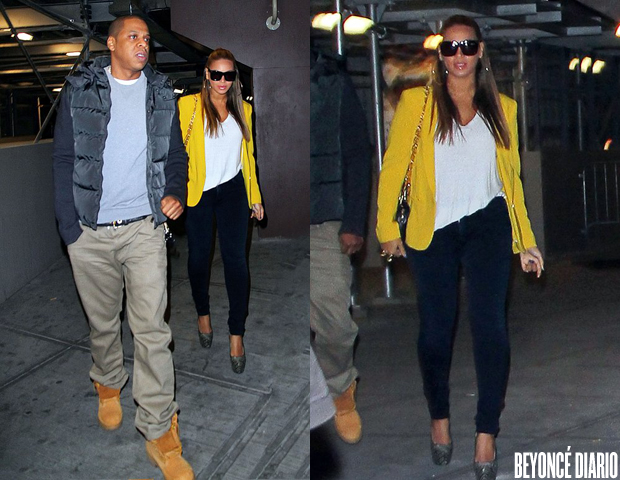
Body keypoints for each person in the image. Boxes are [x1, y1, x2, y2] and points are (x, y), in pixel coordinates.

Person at [376, 15, 544, 480]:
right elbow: (393, 171)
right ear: (440, 55)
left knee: (491, 329)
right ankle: (440, 420)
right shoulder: (418, 103)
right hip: (434, 229)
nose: (459, 55)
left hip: (489, 225)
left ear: (481, 50)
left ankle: (486, 432)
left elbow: (511, 182)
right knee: (435, 331)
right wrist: (387, 227)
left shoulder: (503, 107)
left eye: (467, 46)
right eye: (449, 48)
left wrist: (525, 241)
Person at [52, 15, 194, 480]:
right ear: (111, 43)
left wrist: (173, 190)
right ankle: (108, 381)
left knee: (152, 328)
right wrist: (69, 227)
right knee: (103, 321)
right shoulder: (79, 90)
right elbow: (64, 159)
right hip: (90, 231)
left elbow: (176, 156)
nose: (143, 44)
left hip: (143, 229)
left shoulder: (160, 93)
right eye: (133, 37)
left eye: (147, 38)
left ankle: (159, 431)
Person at [178, 48, 263, 375]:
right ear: (206, 75)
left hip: (233, 192)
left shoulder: (245, 110)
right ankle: (202, 314)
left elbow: (249, 158)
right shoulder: (188, 107)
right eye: (217, 74)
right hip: (198, 192)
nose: (223, 81)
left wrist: (255, 196)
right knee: (199, 259)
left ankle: (236, 335)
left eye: (229, 75)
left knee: (236, 262)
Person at [310, 51, 372, 444]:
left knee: (335, 321)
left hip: (325, 219)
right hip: (278, 216)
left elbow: (357, 155)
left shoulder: (332, 82)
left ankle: (340, 386)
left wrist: (353, 223)